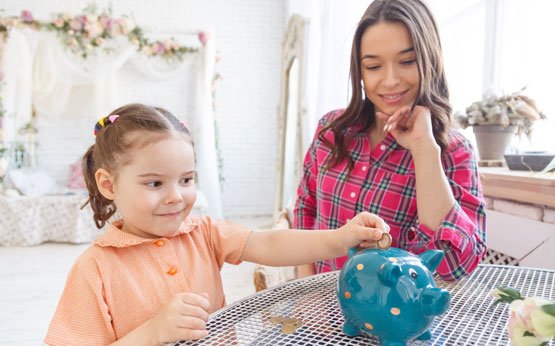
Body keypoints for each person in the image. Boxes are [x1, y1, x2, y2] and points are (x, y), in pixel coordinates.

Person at [44, 103, 389, 345]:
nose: (176, 197)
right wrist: (152, 332)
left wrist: (341, 238)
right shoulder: (95, 269)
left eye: (187, 179)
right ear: (109, 185)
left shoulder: (202, 232)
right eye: (154, 183)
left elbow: (269, 244)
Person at [295, 0, 486, 281]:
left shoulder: (454, 152)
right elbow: (305, 207)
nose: (391, 80)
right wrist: (304, 288)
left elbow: (454, 267)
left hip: (400, 323)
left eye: (407, 61)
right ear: (360, 71)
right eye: (373, 66)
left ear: (429, 59)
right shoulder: (331, 130)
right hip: (321, 314)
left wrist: (423, 150)